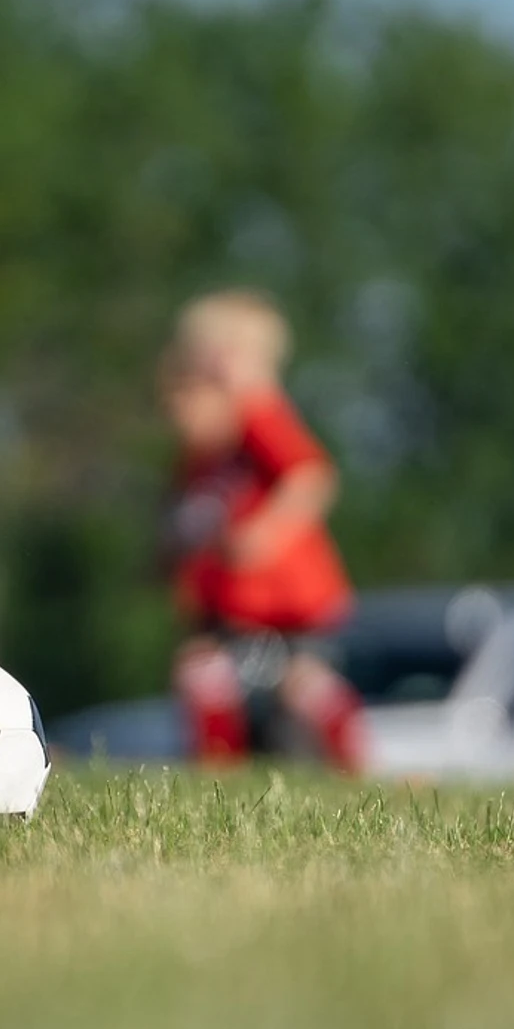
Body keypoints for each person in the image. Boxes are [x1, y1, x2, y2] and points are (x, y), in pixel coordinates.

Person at [159, 290, 365, 773]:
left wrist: (265, 532)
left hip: (288, 602)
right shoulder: (207, 450)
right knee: (207, 675)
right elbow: (191, 520)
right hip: (233, 607)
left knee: (305, 688)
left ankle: (352, 765)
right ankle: (219, 770)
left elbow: (311, 476)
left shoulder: (261, 419)